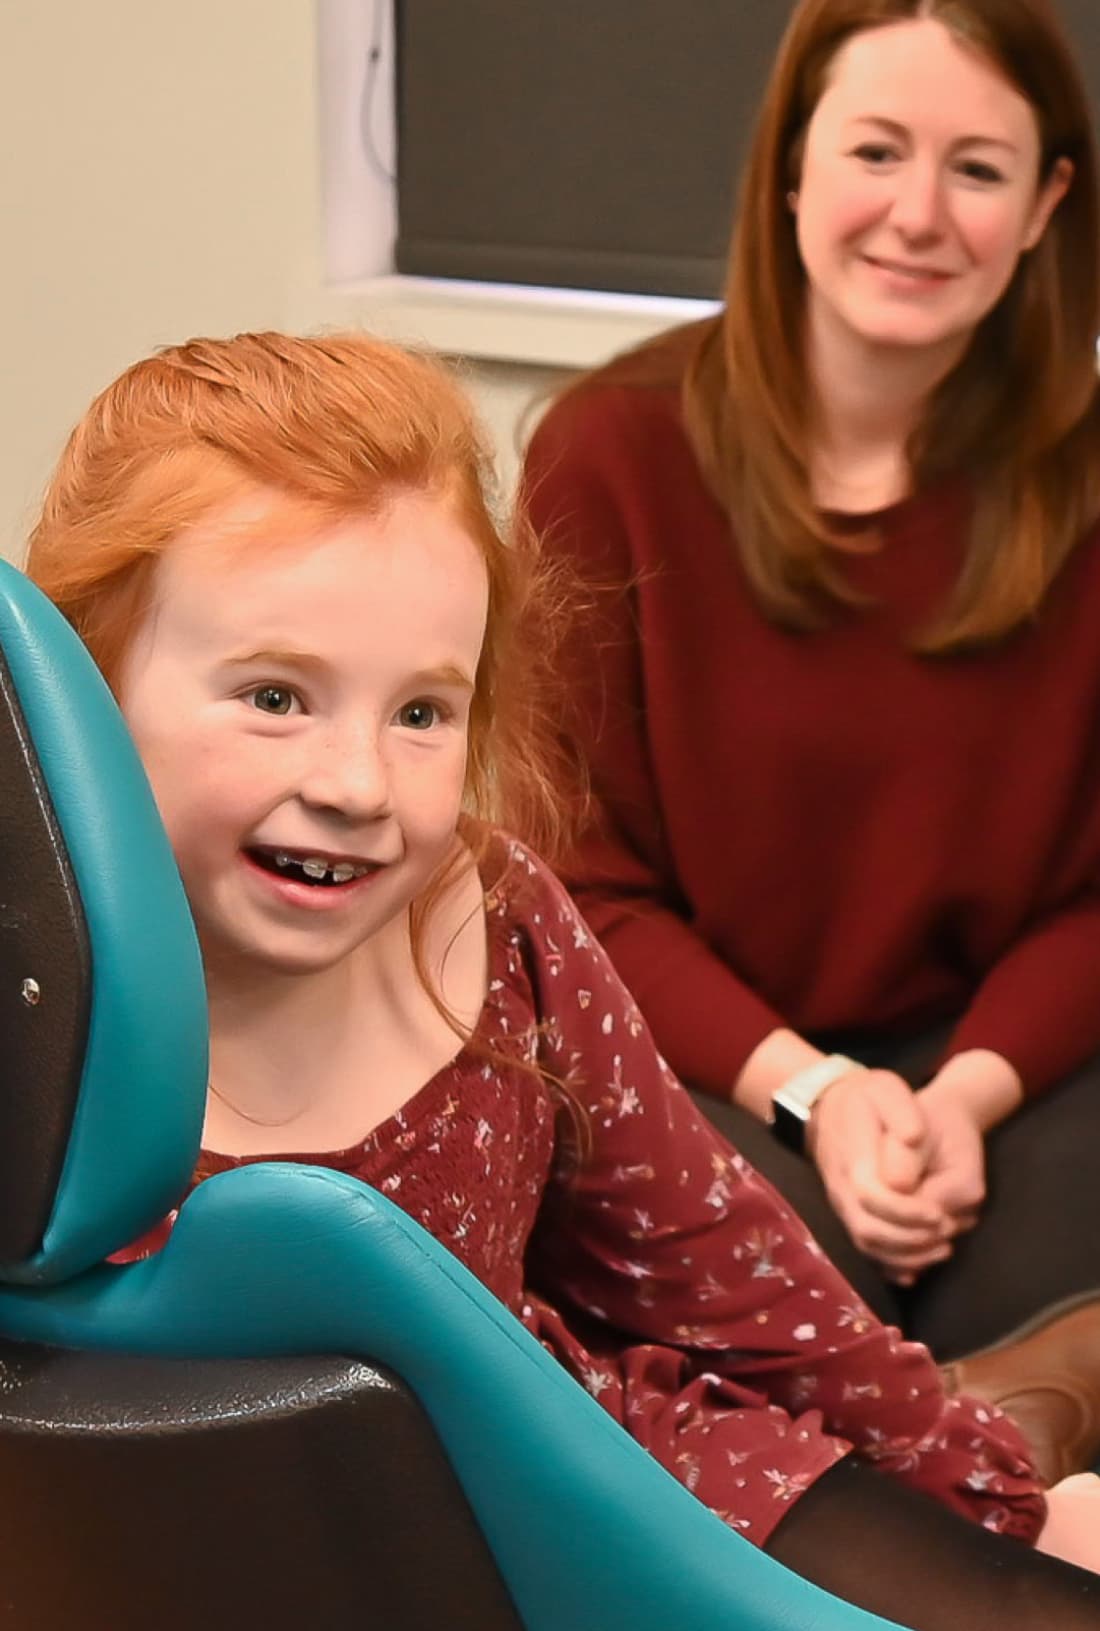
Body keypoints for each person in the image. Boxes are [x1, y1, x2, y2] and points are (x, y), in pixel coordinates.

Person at [24, 329, 1100, 1627]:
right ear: (83, 690)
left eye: (422, 713)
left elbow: (737, 1285)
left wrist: (991, 1500)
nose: (359, 785)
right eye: (273, 696)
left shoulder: (493, 922)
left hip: (596, 1507)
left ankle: (1017, 1424)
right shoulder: (34, 1037)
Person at [521, 0, 1100, 1408]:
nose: (918, 213)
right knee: (791, 1309)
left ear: (1044, 207)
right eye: (875, 151)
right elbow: (577, 888)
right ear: (791, 170)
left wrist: (961, 1096)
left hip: (999, 1065)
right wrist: (819, 1092)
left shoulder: (1086, 481)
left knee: (1018, 1335)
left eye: (977, 169)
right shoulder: (607, 452)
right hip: (710, 1053)